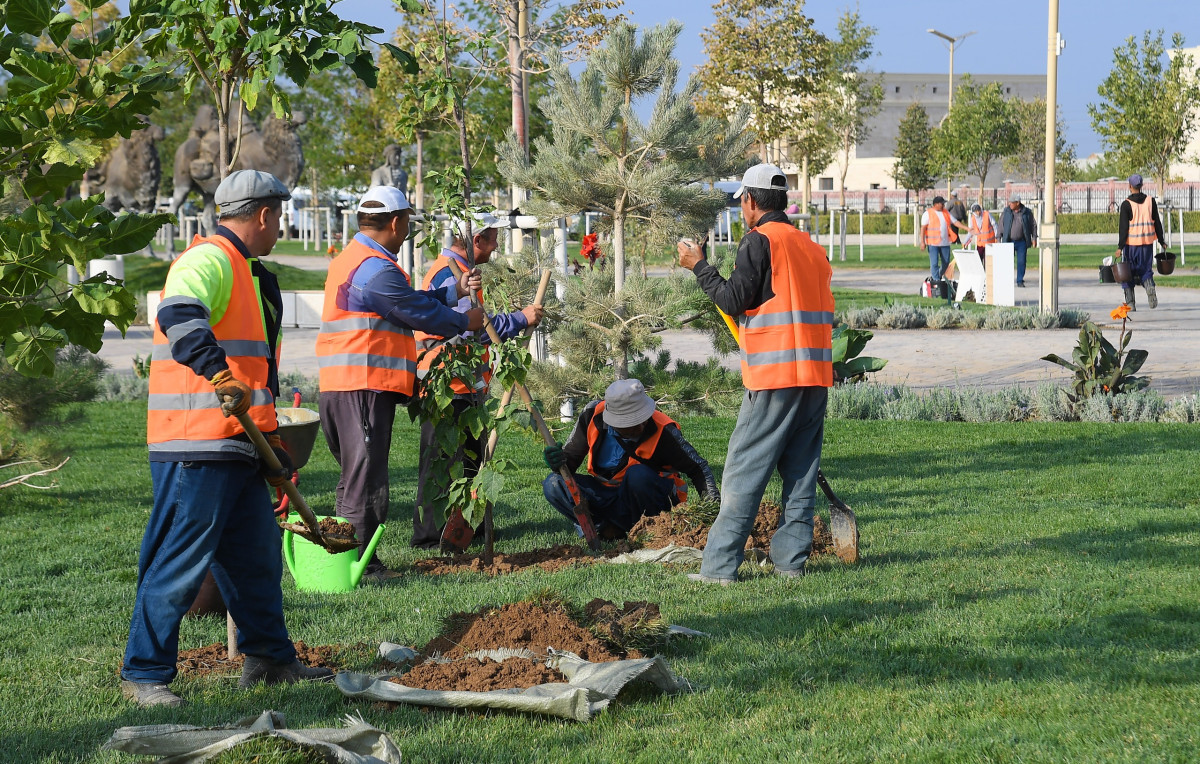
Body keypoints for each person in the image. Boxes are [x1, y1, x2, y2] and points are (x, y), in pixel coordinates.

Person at [121, 170, 331, 708]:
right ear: (262, 215)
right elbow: (178, 315)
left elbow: (253, 377)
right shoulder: (209, 259)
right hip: (196, 443)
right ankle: (145, 674)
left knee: (255, 558)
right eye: (279, 216)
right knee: (179, 558)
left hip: (237, 441)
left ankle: (267, 659)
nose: (280, 225)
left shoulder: (247, 272)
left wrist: (274, 448)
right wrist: (217, 374)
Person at [676, 163, 834, 584]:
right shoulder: (810, 246)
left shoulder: (759, 242)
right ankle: (790, 564)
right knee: (800, 473)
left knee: (743, 472)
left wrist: (698, 266)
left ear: (748, 200)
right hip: (814, 377)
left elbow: (732, 299)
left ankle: (719, 567)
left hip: (774, 377)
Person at [316, 186, 485, 580]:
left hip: (348, 385)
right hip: (362, 386)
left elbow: (407, 300)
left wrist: (452, 291)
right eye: (408, 220)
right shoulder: (375, 269)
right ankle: (363, 566)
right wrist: (464, 320)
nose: (408, 227)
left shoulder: (359, 260)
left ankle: (343, 561)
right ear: (396, 222)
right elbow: (413, 310)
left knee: (355, 478)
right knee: (366, 478)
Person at [410, 213, 545, 548]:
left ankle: (472, 528)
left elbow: (476, 327)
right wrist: (519, 319)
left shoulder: (463, 273)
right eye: (494, 237)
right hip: (447, 384)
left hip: (465, 383)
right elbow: (470, 325)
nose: (497, 245)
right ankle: (430, 537)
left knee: (472, 460)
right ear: (476, 240)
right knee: (442, 463)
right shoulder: (448, 274)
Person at [541, 379, 719, 539]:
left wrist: (713, 511)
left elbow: (698, 468)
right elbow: (568, 466)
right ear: (613, 421)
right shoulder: (592, 416)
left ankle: (648, 530)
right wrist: (558, 462)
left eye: (643, 417)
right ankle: (605, 528)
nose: (641, 425)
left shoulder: (664, 431)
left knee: (638, 475)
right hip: (608, 495)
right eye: (632, 423)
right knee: (554, 484)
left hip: (650, 499)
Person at [1116, 173, 1165, 310]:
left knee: (1127, 273)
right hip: (1147, 244)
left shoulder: (1126, 205)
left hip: (1131, 246)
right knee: (1146, 270)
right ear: (1142, 185)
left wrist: (1120, 247)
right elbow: (1157, 223)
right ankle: (1149, 287)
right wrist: (1161, 241)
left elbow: (1123, 228)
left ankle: (1131, 303)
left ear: (1130, 186)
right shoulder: (1150, 201)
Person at [920, 195, 966, 282]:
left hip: (944, 243)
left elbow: (955, 222)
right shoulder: (928, 214)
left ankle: (938, 275)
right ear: (936, 204)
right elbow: (923, 228)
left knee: (946, 263)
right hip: (933, 244)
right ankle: (936, 280)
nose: (943, 205)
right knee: (934, 263)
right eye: (942, 203)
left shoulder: (946, 212)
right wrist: (922, 242)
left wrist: (967, 228)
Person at [999, 193, 1037, 287]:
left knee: (1021, 261)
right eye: (1010, 202)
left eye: (1012, 202)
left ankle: (1020, 280)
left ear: (1018, 203)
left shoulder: (1027, 212)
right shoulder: (1006, 212)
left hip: (1022, 242)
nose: (1010, 204)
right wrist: (998, 237)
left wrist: (1034, 238)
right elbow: (1001, 224)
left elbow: (1033, 225)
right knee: (1007, 262)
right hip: (1009, 240)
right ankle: (1006, 280)